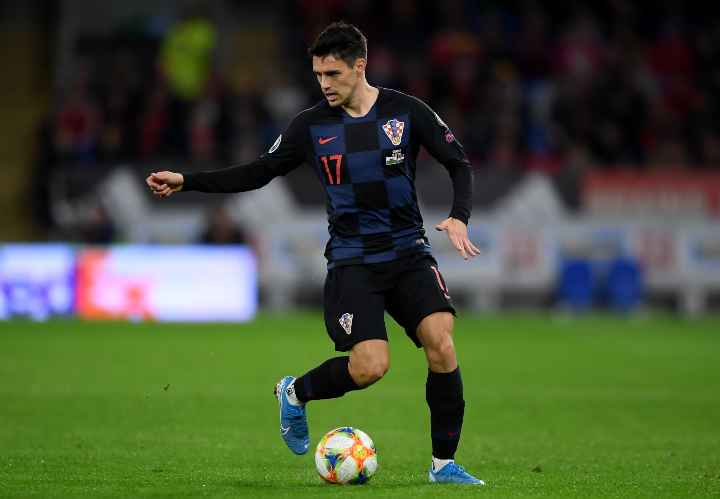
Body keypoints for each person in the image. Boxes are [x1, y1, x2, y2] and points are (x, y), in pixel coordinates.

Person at [146, 22, 484, 485]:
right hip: (352, 261)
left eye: (333, 73)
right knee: (370, 367)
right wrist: (188, 180)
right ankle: (295, 392)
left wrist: (460, 216)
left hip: (408, 252)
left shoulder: (406, 112)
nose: (324, 84)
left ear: (359, 66)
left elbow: (458, 163)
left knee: (441, 343)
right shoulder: (310, 126)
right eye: (318, 75)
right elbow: (258, 172)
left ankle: (443, 465)